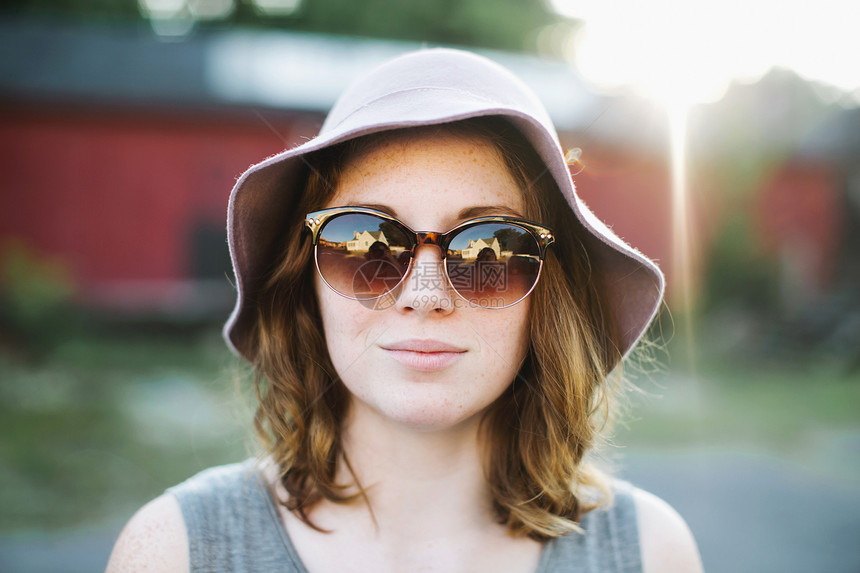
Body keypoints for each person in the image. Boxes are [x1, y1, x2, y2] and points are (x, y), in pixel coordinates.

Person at [107, 49, 704, 573]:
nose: (424, 295)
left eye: (484, 248)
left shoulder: (649, 553)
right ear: (306, 284)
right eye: (367, 244)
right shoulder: (177, 553)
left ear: (550, 293)